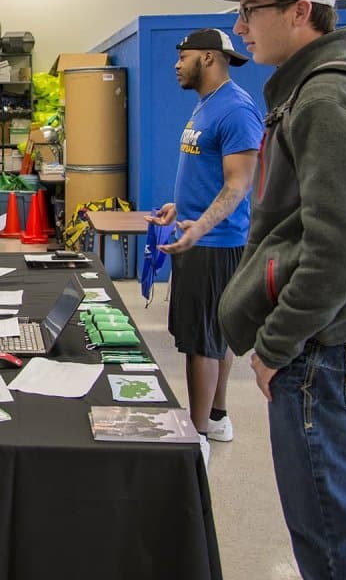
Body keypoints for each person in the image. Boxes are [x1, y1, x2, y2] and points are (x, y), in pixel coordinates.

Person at [213, 0, 346, 580]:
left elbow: (340, 246)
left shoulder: (329, 97)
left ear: (301, 11)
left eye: (251, 11)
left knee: (330, 531)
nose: (240, 28)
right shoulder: (316, 88)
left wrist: (276, 343)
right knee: (341, 514)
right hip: (335, 339)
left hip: (327, 345)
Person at [145, 28, 263, 457]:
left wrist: (201, 227)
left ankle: (195, 439)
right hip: (200, 234)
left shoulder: (236, 111)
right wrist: (181, 207)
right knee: (214, 334)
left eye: (184, 56)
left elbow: (238, 186)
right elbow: (211, 177)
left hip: (215, 243)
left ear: (209, 58)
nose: (177, 64)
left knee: (201, 340)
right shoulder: (207, 107)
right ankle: (216, 417)